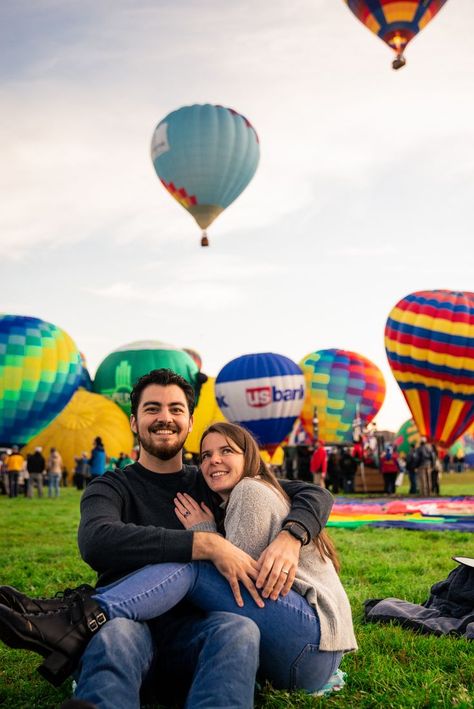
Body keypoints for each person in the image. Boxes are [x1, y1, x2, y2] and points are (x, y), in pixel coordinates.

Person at [0, 369, 334, 709]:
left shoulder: (211, 478)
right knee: (115, 635)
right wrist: (205, 544)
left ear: (190, 423)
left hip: (197, 629)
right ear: (133, 422)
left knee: (238, 629)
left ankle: (69, 622)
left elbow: (310, 493)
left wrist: (293, 535)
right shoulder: (111, 486)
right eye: (152, 409)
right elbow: (96, 540)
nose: (165, 418)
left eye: (176, 409)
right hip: (130, 623)